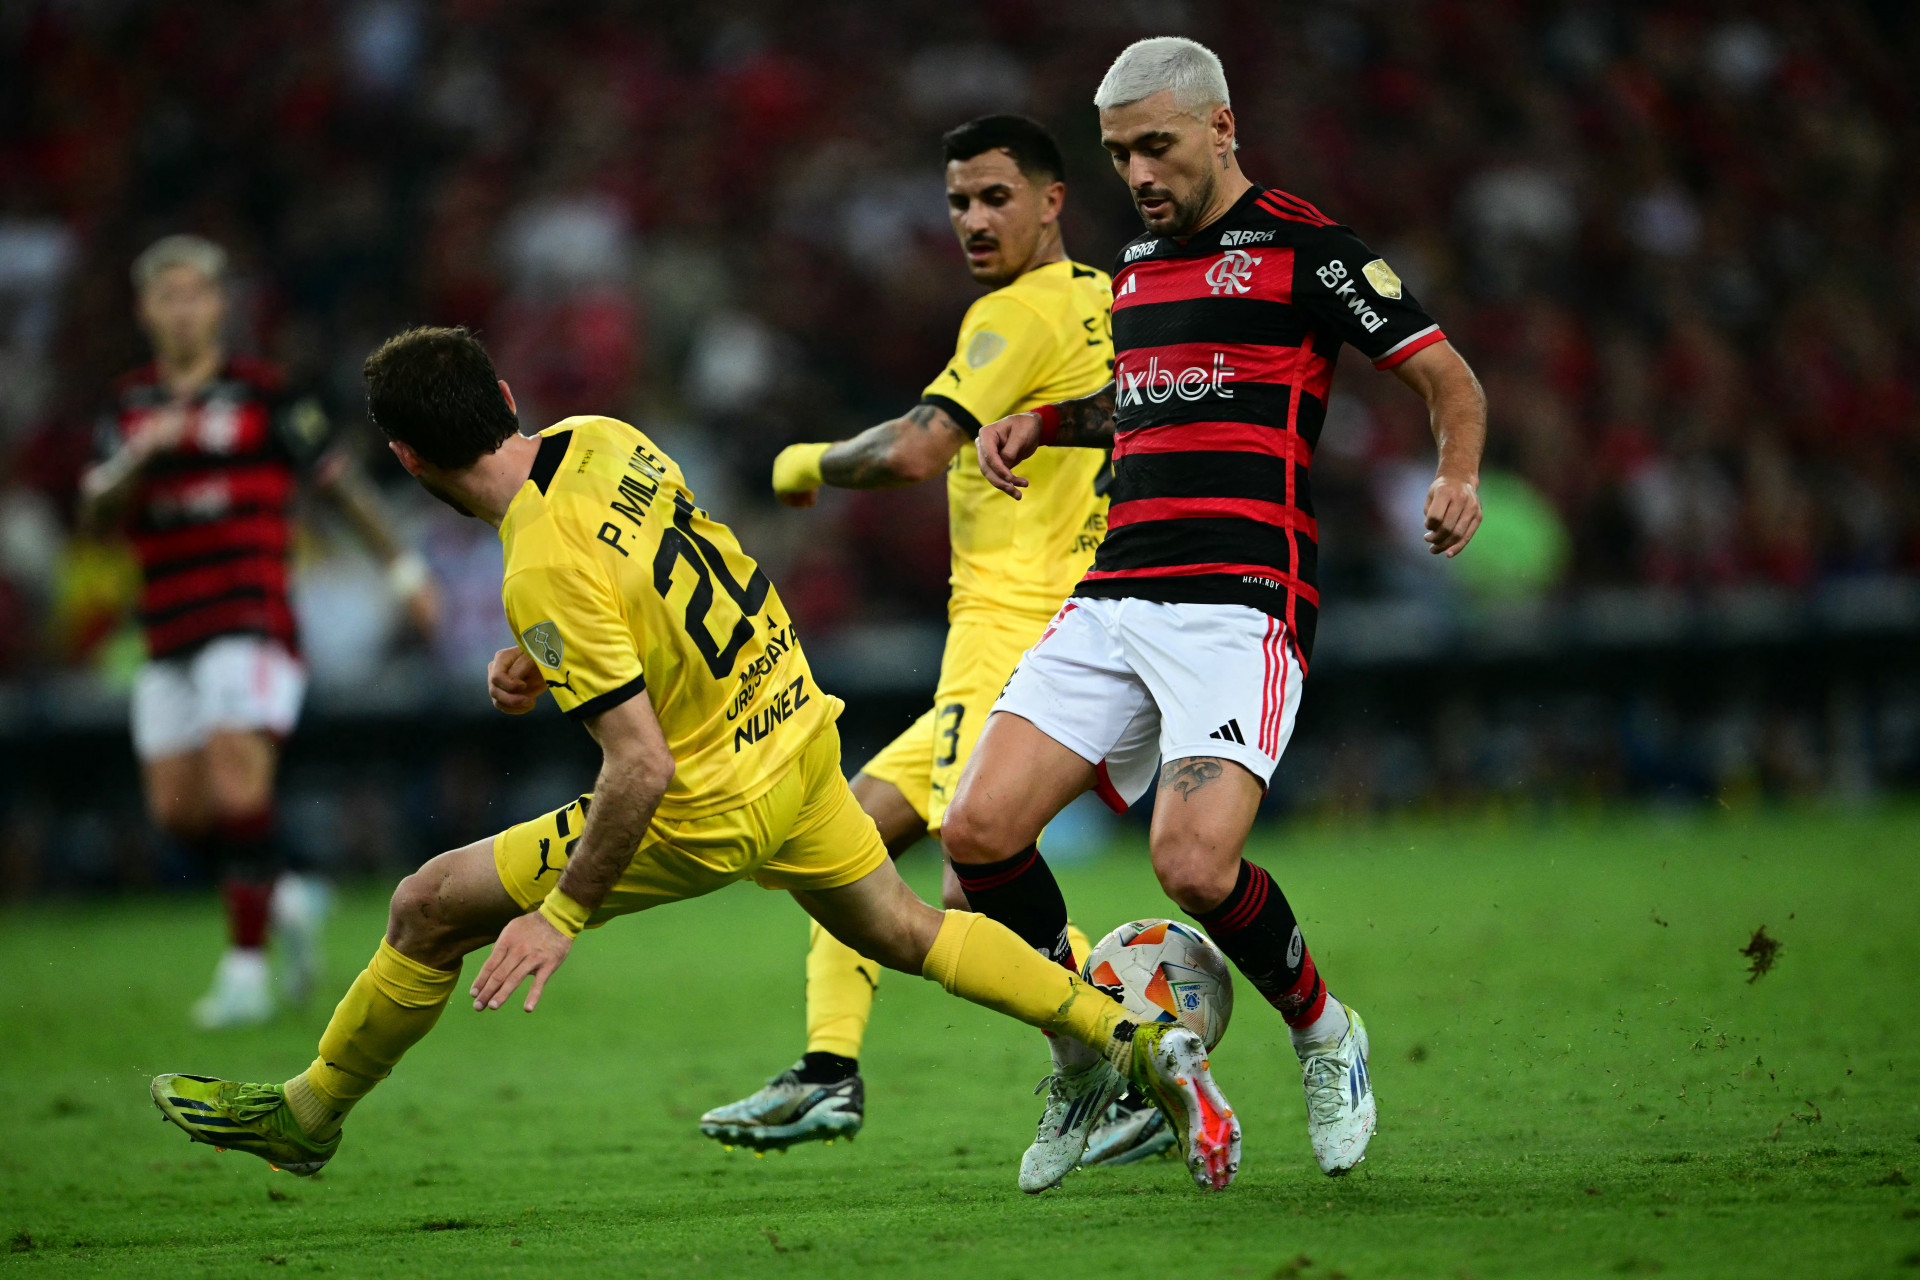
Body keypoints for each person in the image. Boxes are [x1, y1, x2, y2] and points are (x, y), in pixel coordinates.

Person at [148, 326, 1244, 1195]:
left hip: (709, 795)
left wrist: (559, 913)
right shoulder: (604, 436)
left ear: (406, 459)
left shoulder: (538, 567)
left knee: (427, 902)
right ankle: (1138, 1041)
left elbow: (638, 768)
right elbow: (661, 581)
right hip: (796, 727)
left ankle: (309, 1112)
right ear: (510, 401)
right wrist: (546, 663)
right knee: (906, 928)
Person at [950, 37, 1488, 1180]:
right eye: (1116, 154)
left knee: (1191, 864)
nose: (1137, 174)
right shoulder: (1138, 266)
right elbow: (1147, 399)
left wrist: (1456, 473)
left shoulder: (1310, 249)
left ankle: (1324, 1031)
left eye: (1157, 144)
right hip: (1116, 590)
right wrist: (1047, 420)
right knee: (977, 836)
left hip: (1241, 600)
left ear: (1221, 127)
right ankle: (1094, 1059)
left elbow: (1449, 375)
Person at [699, 114, 1163, 1181]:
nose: (972, 220)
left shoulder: (1015, 315)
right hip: (1069, 621)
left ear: (1054, 198)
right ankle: (827, 1067)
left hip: (1014, 637)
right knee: (842, 832)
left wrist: (800, 462)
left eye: (997, 196)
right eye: (958, 201)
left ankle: (1133, 1056)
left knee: (967, 885)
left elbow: (915, 449)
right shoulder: (1109, 300)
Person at [80, 235, 439, 1028]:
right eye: (166, 295)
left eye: (195, 292)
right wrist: (140, 460)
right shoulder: (129, 406)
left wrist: (406, 574)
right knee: (178, 812)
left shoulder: (265, 394)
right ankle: (287, 895)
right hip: (167, 626)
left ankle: (245, 972)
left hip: (250, 617)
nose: (182, 307)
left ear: (218, 305)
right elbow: (97, 515)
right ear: (145, 311)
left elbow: (341, 490)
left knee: (239, 783)